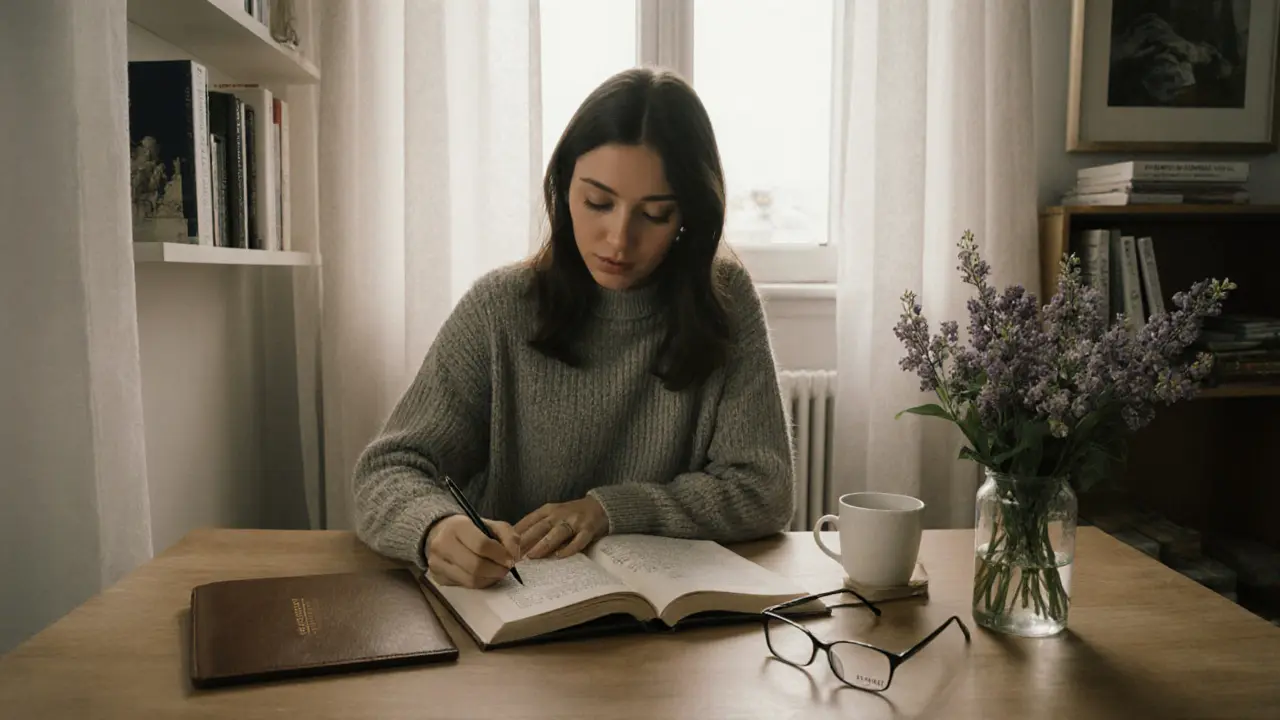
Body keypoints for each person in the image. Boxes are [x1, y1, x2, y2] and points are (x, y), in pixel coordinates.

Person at [352, 67, 795, 589]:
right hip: (513, 611)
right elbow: (386, 471)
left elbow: (764, 490)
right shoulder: (500, 309)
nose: (617, 240)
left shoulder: (725, 301)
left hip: (668, 628)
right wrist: (434, 528)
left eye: (653, 214)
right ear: (563, 190)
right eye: (598, 203)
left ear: (688, 218)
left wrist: (610, 510)